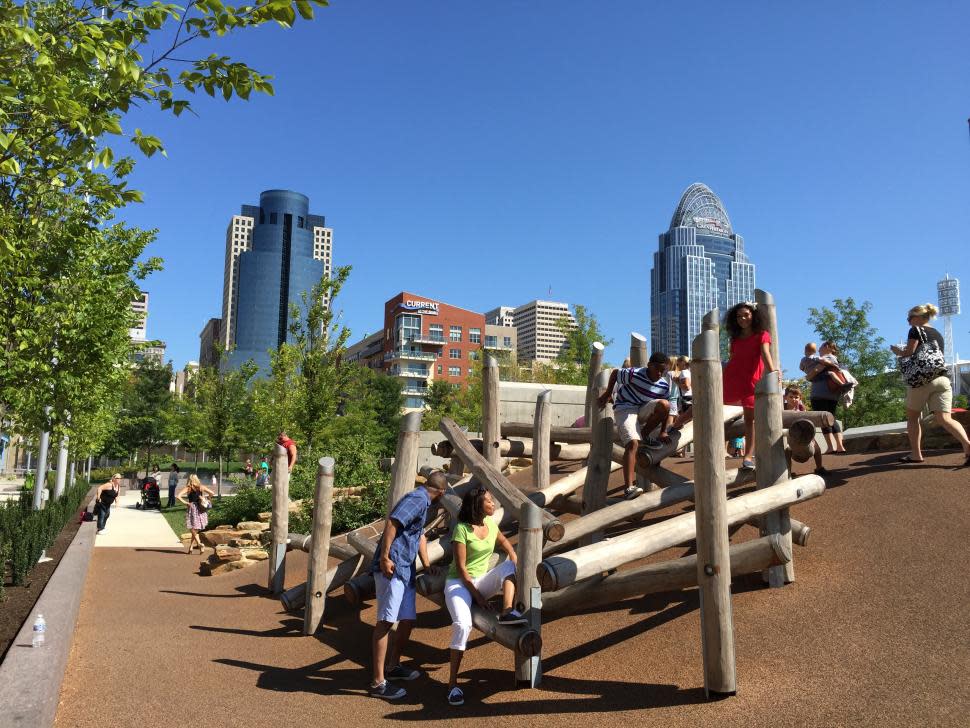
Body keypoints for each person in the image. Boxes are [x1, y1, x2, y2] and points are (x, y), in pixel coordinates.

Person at [444, 486, 526, 706]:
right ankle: (452, 685)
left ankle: (508, 611)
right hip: (459, 585)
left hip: (481, 580)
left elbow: (504, 542)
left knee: (510, 567)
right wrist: (479, 599)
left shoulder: (490, 523)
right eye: (489, 501)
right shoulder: (461, 529)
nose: (493, 504)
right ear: (477, 506)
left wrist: (513, 554)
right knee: (463, 625)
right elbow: (461, 570)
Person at [369, 471, 448, 701]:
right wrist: (384, 557)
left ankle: (393, 666)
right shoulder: (417, 499)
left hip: (406, 570)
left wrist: (426, 563)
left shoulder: (423, 503)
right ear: (441, 492)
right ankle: (377, 683)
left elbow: (419, 536)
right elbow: (393, 523)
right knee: (385, 622)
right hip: (392, 567)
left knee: (408, 620)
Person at [890, 303, 970, 465]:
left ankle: (916, 455)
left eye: (909, 318)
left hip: (921, 380)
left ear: (918, 317)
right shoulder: (938, 334)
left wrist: (898, 352)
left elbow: (910, 353)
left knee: (912, 418)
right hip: (941, 379)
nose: (908, 322)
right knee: (945, 418)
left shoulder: (915, 330)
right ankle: (968, 446)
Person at [599, 351, 679, 500]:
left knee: (664, 404)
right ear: (649, 366)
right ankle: (629, 488)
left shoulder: (663, 385)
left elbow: (666, 409)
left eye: (664, 370)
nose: (660, 373)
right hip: (626, 407)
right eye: (658, 369)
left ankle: (645, 435)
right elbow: (615, 373)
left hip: (643, 408)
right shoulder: (635, 374)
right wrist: (608, 393)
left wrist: (663, 432)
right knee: (632, 443)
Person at [722, 301, 780, 469]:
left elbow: (765, 353)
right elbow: (733, 359)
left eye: (746, 315)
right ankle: (677, 424)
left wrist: (773, 373)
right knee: (714, 408)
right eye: (739, 316)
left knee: (750, 420)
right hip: (732, 378)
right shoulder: (735, 338)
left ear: (753, 315)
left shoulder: (762, 334)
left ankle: (748, 456)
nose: (742, 319)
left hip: (750, 381)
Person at [801, 341, 847, 454]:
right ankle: (840, 446)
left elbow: (813, 372)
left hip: (819, 393)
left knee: (823, 419)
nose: (819, 349)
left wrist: (809, 375)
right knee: (832, 418)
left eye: (821, 347)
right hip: (832, 394)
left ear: (827, 347)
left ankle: (832, 447)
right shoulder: (834, 359)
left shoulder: (828, 357)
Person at [178, 474, 216, 554]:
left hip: (192, 508)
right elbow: (212, 493)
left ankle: (199, 543)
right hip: (201, 508)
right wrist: (207, 498)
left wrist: (186, 503)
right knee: (195, 528)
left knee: (192, 527)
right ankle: (191, 548)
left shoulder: (188, 488)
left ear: (190, 480)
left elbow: (178, 496)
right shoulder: (201, 487)